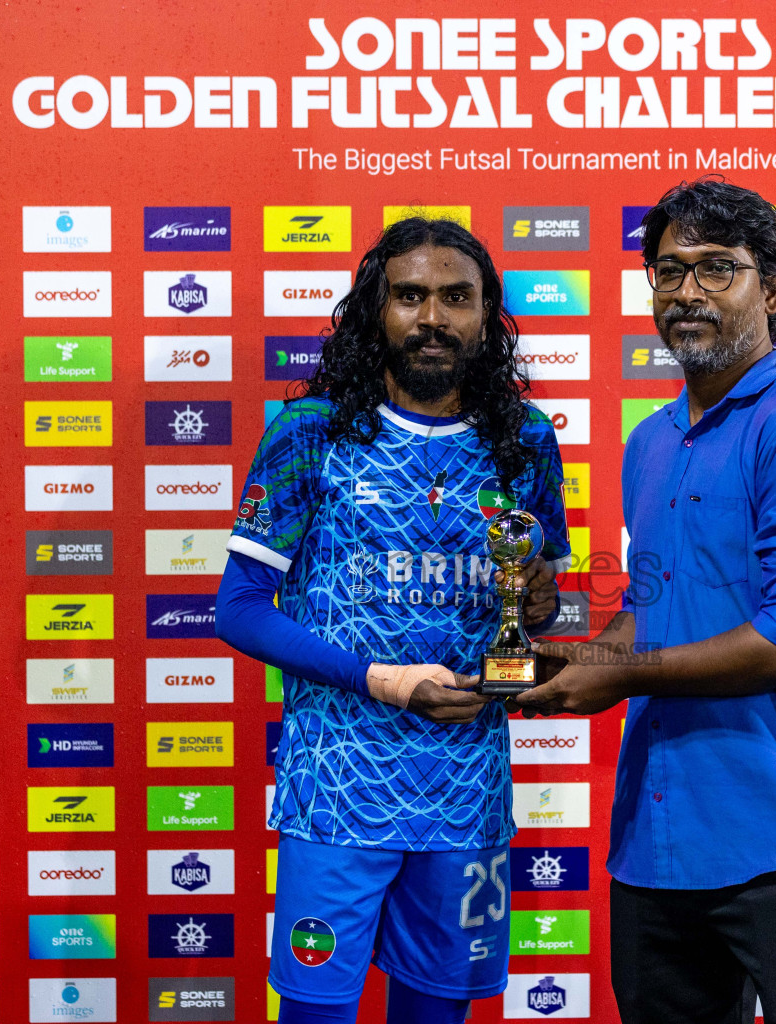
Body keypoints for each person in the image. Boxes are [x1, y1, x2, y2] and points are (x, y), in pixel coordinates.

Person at [514, 178, 776, 1024]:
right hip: (657, 841)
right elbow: (659, 606)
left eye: (718, 269)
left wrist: (619, 677)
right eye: (668, 270)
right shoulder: (650, 441)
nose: (687, 292)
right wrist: (570, 663)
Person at [215, 216, 571, 1024]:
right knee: (315, 1013)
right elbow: (237, 612)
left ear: (488, 315)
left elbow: (535, 591)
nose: (433, 317)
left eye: (456, 297)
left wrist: (540, 602)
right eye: (410, 296)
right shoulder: (311, 434)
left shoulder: (524, 439)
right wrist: (382, 680)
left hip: (466, 794)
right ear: (376, 309)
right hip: (337, 791)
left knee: (438, 1013)